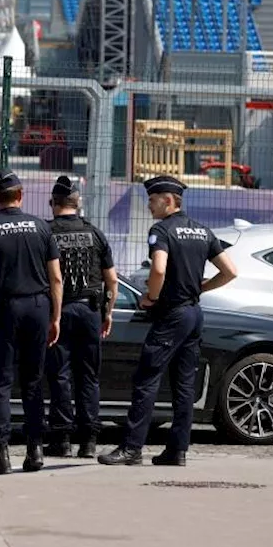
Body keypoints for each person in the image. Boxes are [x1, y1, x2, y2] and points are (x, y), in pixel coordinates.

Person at [98, 176, 238, 467]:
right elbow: (230, 271)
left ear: (168, 200)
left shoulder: (161, 230)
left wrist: (151, 297)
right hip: (193, 314)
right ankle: (177, 450)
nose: (149, 205)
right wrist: (201, 287)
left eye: (152, 200)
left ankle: (132, 448)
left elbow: (158, 270)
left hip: (171, 314)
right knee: (184, 386)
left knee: (146, 379)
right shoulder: (202, 231)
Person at [0, 171, 63, 476]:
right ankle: (35, 449)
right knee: (33, 380)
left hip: (5, 308)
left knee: (1, 382)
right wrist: (56, 316)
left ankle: (1, 452)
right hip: (38, 306)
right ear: (20, 195)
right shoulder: (41, 228)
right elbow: (56, 278)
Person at [43, 175, 118, 460]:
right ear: (78, 203)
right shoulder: (95, 234)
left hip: (58, 311)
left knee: (59, 375)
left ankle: (61, 438)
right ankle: (88, 440)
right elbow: (112, 281)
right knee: (88, 376)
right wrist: (107, 312)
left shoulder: (45, 232)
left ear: (53, 203)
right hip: (89, 311)